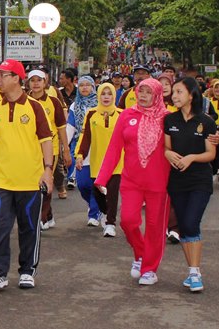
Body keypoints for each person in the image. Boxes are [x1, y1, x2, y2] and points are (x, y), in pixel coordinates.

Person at [0, 59, 54, 292]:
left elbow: (46, 140)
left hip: (30, 180)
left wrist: (48, 170)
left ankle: (27, 270)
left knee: (29, 227)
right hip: (1, 180)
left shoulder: (34, 107)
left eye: (2, 75)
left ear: (16, 78)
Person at [95, 78, 169, 286]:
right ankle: (140, 253)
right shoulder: (127, 115)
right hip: (131, 180)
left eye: (148, 92)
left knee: (155, 226)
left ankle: (149, 268)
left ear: (157, 95)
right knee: (128, 221)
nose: (143, 95)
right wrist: (102, 178)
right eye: (140, 91)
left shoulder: (167, 118)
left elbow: (181, 143)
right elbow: (114, 149)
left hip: (159, 183)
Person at [164, 77, 217, 292]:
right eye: (173, 92)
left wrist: (191, 158)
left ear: (191, 95)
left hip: (200, 181)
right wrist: (167, 153)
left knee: (191, 222)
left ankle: (194, 272)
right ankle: (193, 271)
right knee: (185, 226)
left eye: (178, 92)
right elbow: (166, 147)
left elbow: (211, 154)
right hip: (177, 181)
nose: (174, 96)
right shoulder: (169, 120)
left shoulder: (206, 121)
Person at [74, 83, 123, 237]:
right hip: (97, 160)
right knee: (98, 192)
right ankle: (103, 212)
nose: (106, 97)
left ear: (114, 96)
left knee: (113, 193)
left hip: (117, 162)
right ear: (98, 95)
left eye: (109, 94)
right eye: (103, 93)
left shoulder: (122, 114)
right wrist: (80, 155)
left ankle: (110, 224)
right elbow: (85, 137)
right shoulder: (91, 113)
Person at [25, 70, 68, 227]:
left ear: (45, 83)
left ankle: (41, 217)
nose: (36, 83)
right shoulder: (24, 101)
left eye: (39, 80)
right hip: (30, 150)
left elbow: (61, 127)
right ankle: (48, 215)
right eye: (32, 80)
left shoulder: (54, 102)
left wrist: (66, 150)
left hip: (52, 149)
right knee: (33, 183)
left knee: (45, 182)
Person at [68, 76, 100, 225]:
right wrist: (64, 146)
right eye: (82, 85)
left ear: (93, 87)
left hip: (100, 147)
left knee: (97, 182)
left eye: (88, 85)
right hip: (81, 148)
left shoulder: (101, 104)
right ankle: (93, 204)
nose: (85, 88)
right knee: (82, 184)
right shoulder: (75, 106)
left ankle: (94, 212)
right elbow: (71, 126)